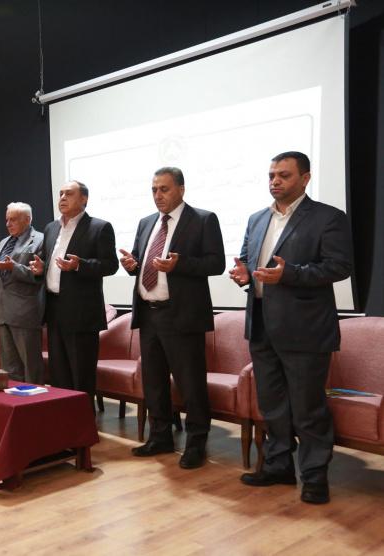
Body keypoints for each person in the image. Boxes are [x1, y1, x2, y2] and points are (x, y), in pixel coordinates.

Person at [230, 151, 352, 504]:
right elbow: (248, 260)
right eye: (271, 175)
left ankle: (314, 477)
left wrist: (291, 273)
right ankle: (278, 466)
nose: (275, 181)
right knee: (273, 406)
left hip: (305, 330)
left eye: (284, 175)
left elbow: (339, 266)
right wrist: (244, 275)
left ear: (305, 178)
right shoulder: (257, 219)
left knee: (308, 408)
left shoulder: (328, 217)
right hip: (261, 325)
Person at [118, 167, 225, 468]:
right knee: (154, 382)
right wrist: (132, 265)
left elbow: (216, 263)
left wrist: (181, 264)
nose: (158, 195)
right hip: (149, 314)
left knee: (191, 384)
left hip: (183, 315)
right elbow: (141, 261)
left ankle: (196, 444)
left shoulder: (203, 219)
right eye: (154, 189)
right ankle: (160, 437)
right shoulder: (146, 222)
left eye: (164, 189)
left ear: (181, 189)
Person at [29, 181, 118, 396]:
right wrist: (41, 269)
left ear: (84, 199)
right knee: (59, 374)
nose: (62, 198)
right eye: (60, 193)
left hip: (81, 313)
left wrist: (80, 265)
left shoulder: (99, 227)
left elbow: (110, 265)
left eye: (69, 194)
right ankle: (63, 414)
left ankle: (83, 416)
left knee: (81, 374)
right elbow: (48, 263)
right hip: (54, 308)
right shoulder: (51, 228)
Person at [0, 202, 45, 383]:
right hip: (3, 310)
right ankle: (14, 397)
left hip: (25, 312)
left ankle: (35, 399)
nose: (8, 224)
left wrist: (13, 267)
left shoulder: (40, 240)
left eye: (13, 219)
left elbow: (40, 276)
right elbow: (4, 278)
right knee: (9, 366)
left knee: (31, 365)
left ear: (27, 219)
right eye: (7, 220)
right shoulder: (3, 242)